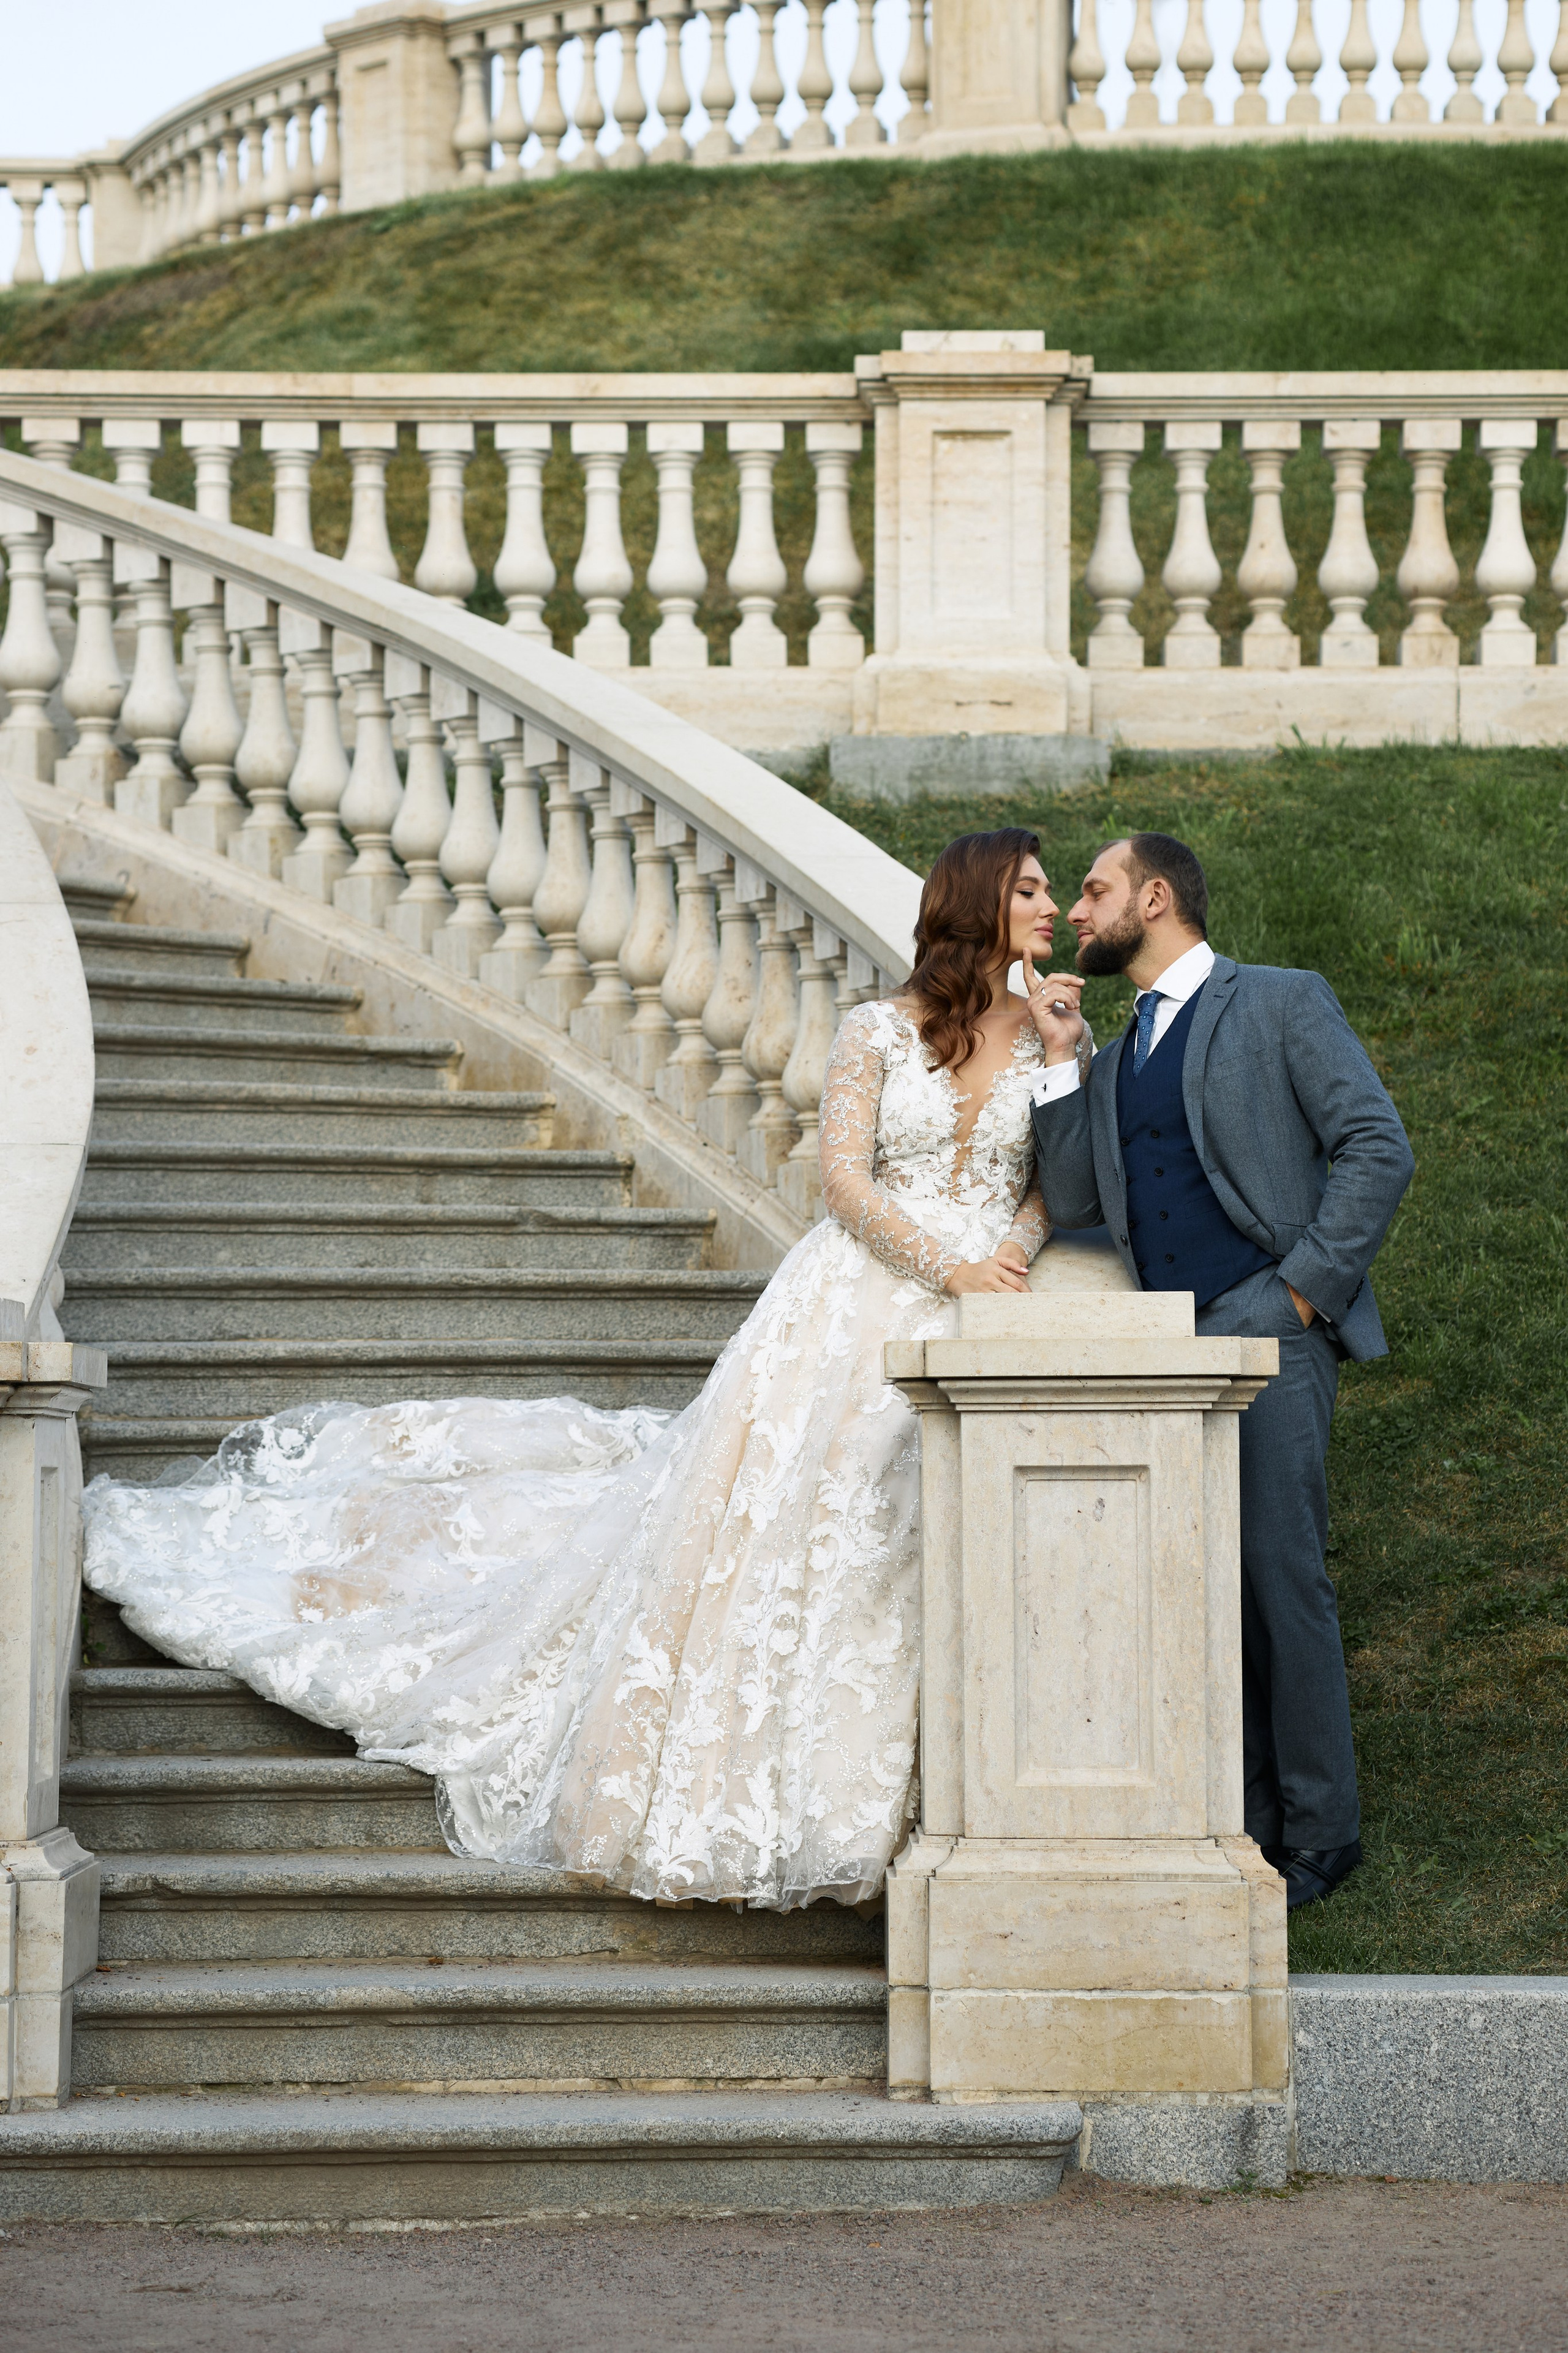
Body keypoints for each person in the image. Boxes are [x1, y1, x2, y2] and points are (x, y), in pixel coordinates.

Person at [84, 829, 1089, 1912]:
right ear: (978, 902)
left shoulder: (1045, 1036)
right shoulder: (878, 1030)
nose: (1051, 906)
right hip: (853, 1301)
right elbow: (843, 1182)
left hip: (978, 1298)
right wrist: (947, 1262)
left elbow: (1053, 1182)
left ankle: (862, 1797)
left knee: (886, 1535)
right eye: (1030, 889)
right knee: (805, 1512)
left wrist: (1016, 1241)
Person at [1022, 833, 1414, 1913]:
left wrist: (1300, 1293)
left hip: (1273, 1333)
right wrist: (1062, 1058)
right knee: (1208, 1597)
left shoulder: (1281, 1000)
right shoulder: (1115, 1049)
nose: (1081, 909)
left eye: (1096, 890)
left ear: (1155, 897)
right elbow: (1081, 1198)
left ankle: (1322, 1842)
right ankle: (1245, 1827)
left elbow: (1378, 1145)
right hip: (1169, 1353)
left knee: (1283, 1580)